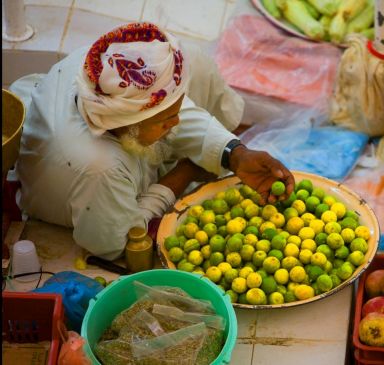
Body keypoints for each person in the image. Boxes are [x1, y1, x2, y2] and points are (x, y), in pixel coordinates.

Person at [9, 22, 295, 260]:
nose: (177, 122)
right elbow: (116, 243)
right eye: (166, 121)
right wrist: (184, 174)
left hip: (99, 157)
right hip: (81, 203)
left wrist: (234, 153)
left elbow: (174, 110)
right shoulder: (101, 168)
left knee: (195, 59)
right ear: (128, 125)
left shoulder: (102, 72)